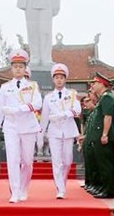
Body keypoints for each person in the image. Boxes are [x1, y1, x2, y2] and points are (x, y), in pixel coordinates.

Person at [0, 49, 43, 203]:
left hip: (28, 126)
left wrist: (19, 109)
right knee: (13, 159)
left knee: (27, 161)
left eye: (21, 66)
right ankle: (15, 191)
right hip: (11, 127)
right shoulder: (5, 87)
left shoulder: (32, 86)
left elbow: (38, 103)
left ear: (25, 68)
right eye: (15, 66)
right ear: (11, 68)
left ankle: (24, 188)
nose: (18, 69)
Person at [38, 63, 81, 199]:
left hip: (68, 130)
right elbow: (44, 117)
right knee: (56, 161)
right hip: (54, 132)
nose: (59, 80)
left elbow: (77, 110)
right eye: (56, 77)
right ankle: (61, 189)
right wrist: (40, 134)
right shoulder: (49, 97)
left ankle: (62, 183)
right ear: (53, 80)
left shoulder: (72, 94)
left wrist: (65, 114)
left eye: (61, 77)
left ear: (65, 79)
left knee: (67, 161)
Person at [87, 72, 114, 199]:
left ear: (102, 84)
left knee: (105, 165)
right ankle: (103, 188)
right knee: (100, 164)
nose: (92, 85)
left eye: (95, 83)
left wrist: (104, 134)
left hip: (104, 137)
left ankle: (109, 190)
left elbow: (108, 117)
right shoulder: (102, 98)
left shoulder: (107, 98)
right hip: (98, 137)